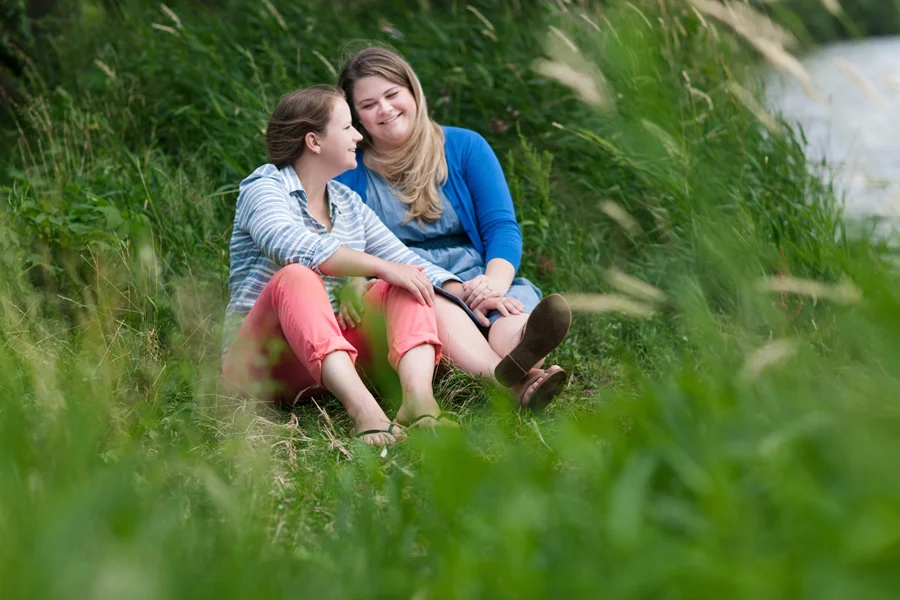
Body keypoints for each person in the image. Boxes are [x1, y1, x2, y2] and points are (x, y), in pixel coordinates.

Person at [221, 85, 461, 446]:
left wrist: (466, 292)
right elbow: (292, 246)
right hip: (261, 365)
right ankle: (366, 412)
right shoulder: (264, 188)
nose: (359, 136)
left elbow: (405, 262)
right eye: (348, 127)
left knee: (408, 280)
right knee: (297, 275)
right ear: (314, 142)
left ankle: (419, 403)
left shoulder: (347, 202)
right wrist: (377, 268)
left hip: (325, 364)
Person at [335, 48, 571, 411]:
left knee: (505, 311)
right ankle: (509, 383)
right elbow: (343, 243)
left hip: (475, 276)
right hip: (408, 284)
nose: (384, 109)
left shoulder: (464, 146)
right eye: (369, 104)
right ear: (355, 117)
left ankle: (525, 345)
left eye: (392, 94)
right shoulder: (348, 169)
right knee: (432, 301)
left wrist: (492, 283)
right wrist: (355, 280)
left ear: (413, 92)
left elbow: (501, 227)